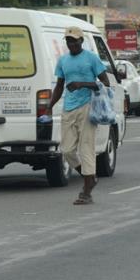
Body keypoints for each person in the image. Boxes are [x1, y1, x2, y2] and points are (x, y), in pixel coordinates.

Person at [50, 26, 110, 205]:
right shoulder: (63, 60)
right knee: (67, 150)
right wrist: (49, 106)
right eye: (68, 41)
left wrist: (82, 84)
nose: (71, 44)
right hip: (69, 108)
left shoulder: (91, 58)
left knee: (86, 148)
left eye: (74, 41)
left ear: (81, 41)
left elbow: (105, 82)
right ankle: (89, 177)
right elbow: (60, 85)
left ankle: (86, 191)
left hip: (87, 107)